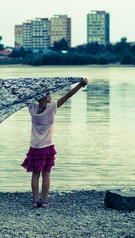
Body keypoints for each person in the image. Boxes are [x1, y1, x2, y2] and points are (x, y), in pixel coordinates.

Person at [21, 78, 89, 208]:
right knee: (46, 173)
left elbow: (21, 96)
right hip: (47, 146)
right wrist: (81, 84)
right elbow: (68, 95)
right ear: (46, 98)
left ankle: (35, 201)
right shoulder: (52, 107)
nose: (51, 95)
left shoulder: (32, 108)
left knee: (35, 174)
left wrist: (9, 88)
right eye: (49, 94)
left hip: (35, 146)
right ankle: (45, 201)